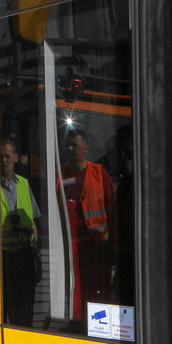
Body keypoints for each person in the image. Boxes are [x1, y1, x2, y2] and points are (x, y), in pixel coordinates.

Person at [59, 129, 115, 320]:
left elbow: (113, 208)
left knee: (96, 289)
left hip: (96, 246)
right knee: (73, 288)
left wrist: (107, 235)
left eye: (75, 145)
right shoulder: (61, 174)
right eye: (69, 145)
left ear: (86, 148)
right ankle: (75, 323)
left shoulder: (99, 174)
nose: (70, 148)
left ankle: (96, 326)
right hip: (70, 246)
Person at [0, 140, 41, 325]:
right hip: (5, 257)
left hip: (24, 257)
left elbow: (33, 222)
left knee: (26, 310)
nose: (3, 160)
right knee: (8, 309)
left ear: (16, 158)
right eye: (1, 156)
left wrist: (36, 253)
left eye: (7, 156)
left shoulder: (23, 184)